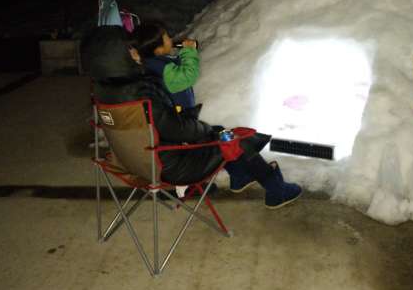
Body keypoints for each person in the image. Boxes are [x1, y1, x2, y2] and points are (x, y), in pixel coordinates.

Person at [81, 25, 302, 209]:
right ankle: (276, 190)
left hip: (134, 162)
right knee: (236, 138)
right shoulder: (141, 92)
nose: (136, 53)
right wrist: (204, 129)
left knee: (218, 133)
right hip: (170, 165)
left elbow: (165, 126)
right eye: (130, 51)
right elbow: (179, 129)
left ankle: (241, 176)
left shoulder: (103, 89)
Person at [129, 21, 199, 116]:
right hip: (181, 120)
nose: (171, 39)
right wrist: (189, 51)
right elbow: (188, 75)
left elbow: (174, 68)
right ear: (159, 49)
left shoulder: (149, 62)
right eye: (167, 38)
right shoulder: (162, 69)